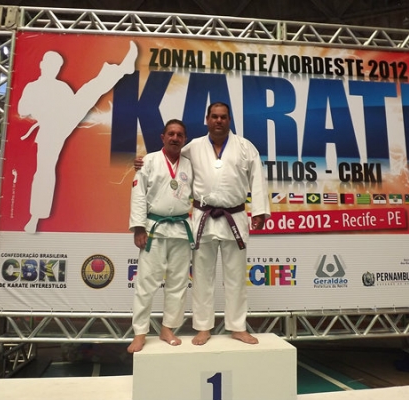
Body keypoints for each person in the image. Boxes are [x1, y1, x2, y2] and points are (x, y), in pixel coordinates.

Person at [135, 102, 270, 345]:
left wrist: (259, 211)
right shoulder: (193, 146)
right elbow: (170, 157)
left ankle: (237, 327)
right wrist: (143, 163)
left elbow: (257, 178)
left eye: (223, 117)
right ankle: (203, 327)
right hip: (203, 219)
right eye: (214, 116)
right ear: (207, 119)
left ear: (229, 120)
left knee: (236, 277)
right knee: (202, 277)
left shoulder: (245, 147)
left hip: (235, 217)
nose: (218, 120)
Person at [18, 41, 138, 233]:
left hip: (63, 120)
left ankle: (122, 69)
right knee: (45, 169)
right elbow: (22, 110)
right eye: (49, 64)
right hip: (49, 129)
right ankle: (35, 218)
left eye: (56, 66)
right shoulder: (32, 87)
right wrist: (43, 109)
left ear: (58, 69)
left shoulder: (62, 87)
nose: (52, 68)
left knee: (87, 93)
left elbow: (71, 106)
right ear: (42, 65)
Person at [128, 119, 194, 353]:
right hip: (153, 228)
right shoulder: (148, 161)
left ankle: (168, 329)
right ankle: (140, 333)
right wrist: (139, 228)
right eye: (171, 134)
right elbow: (138, 194)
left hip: (181, 229)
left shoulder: (190, 165)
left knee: (178, 283)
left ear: (184, 140)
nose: (175, 138)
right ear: (162, 137)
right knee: (146, 283)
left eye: (179, 135)